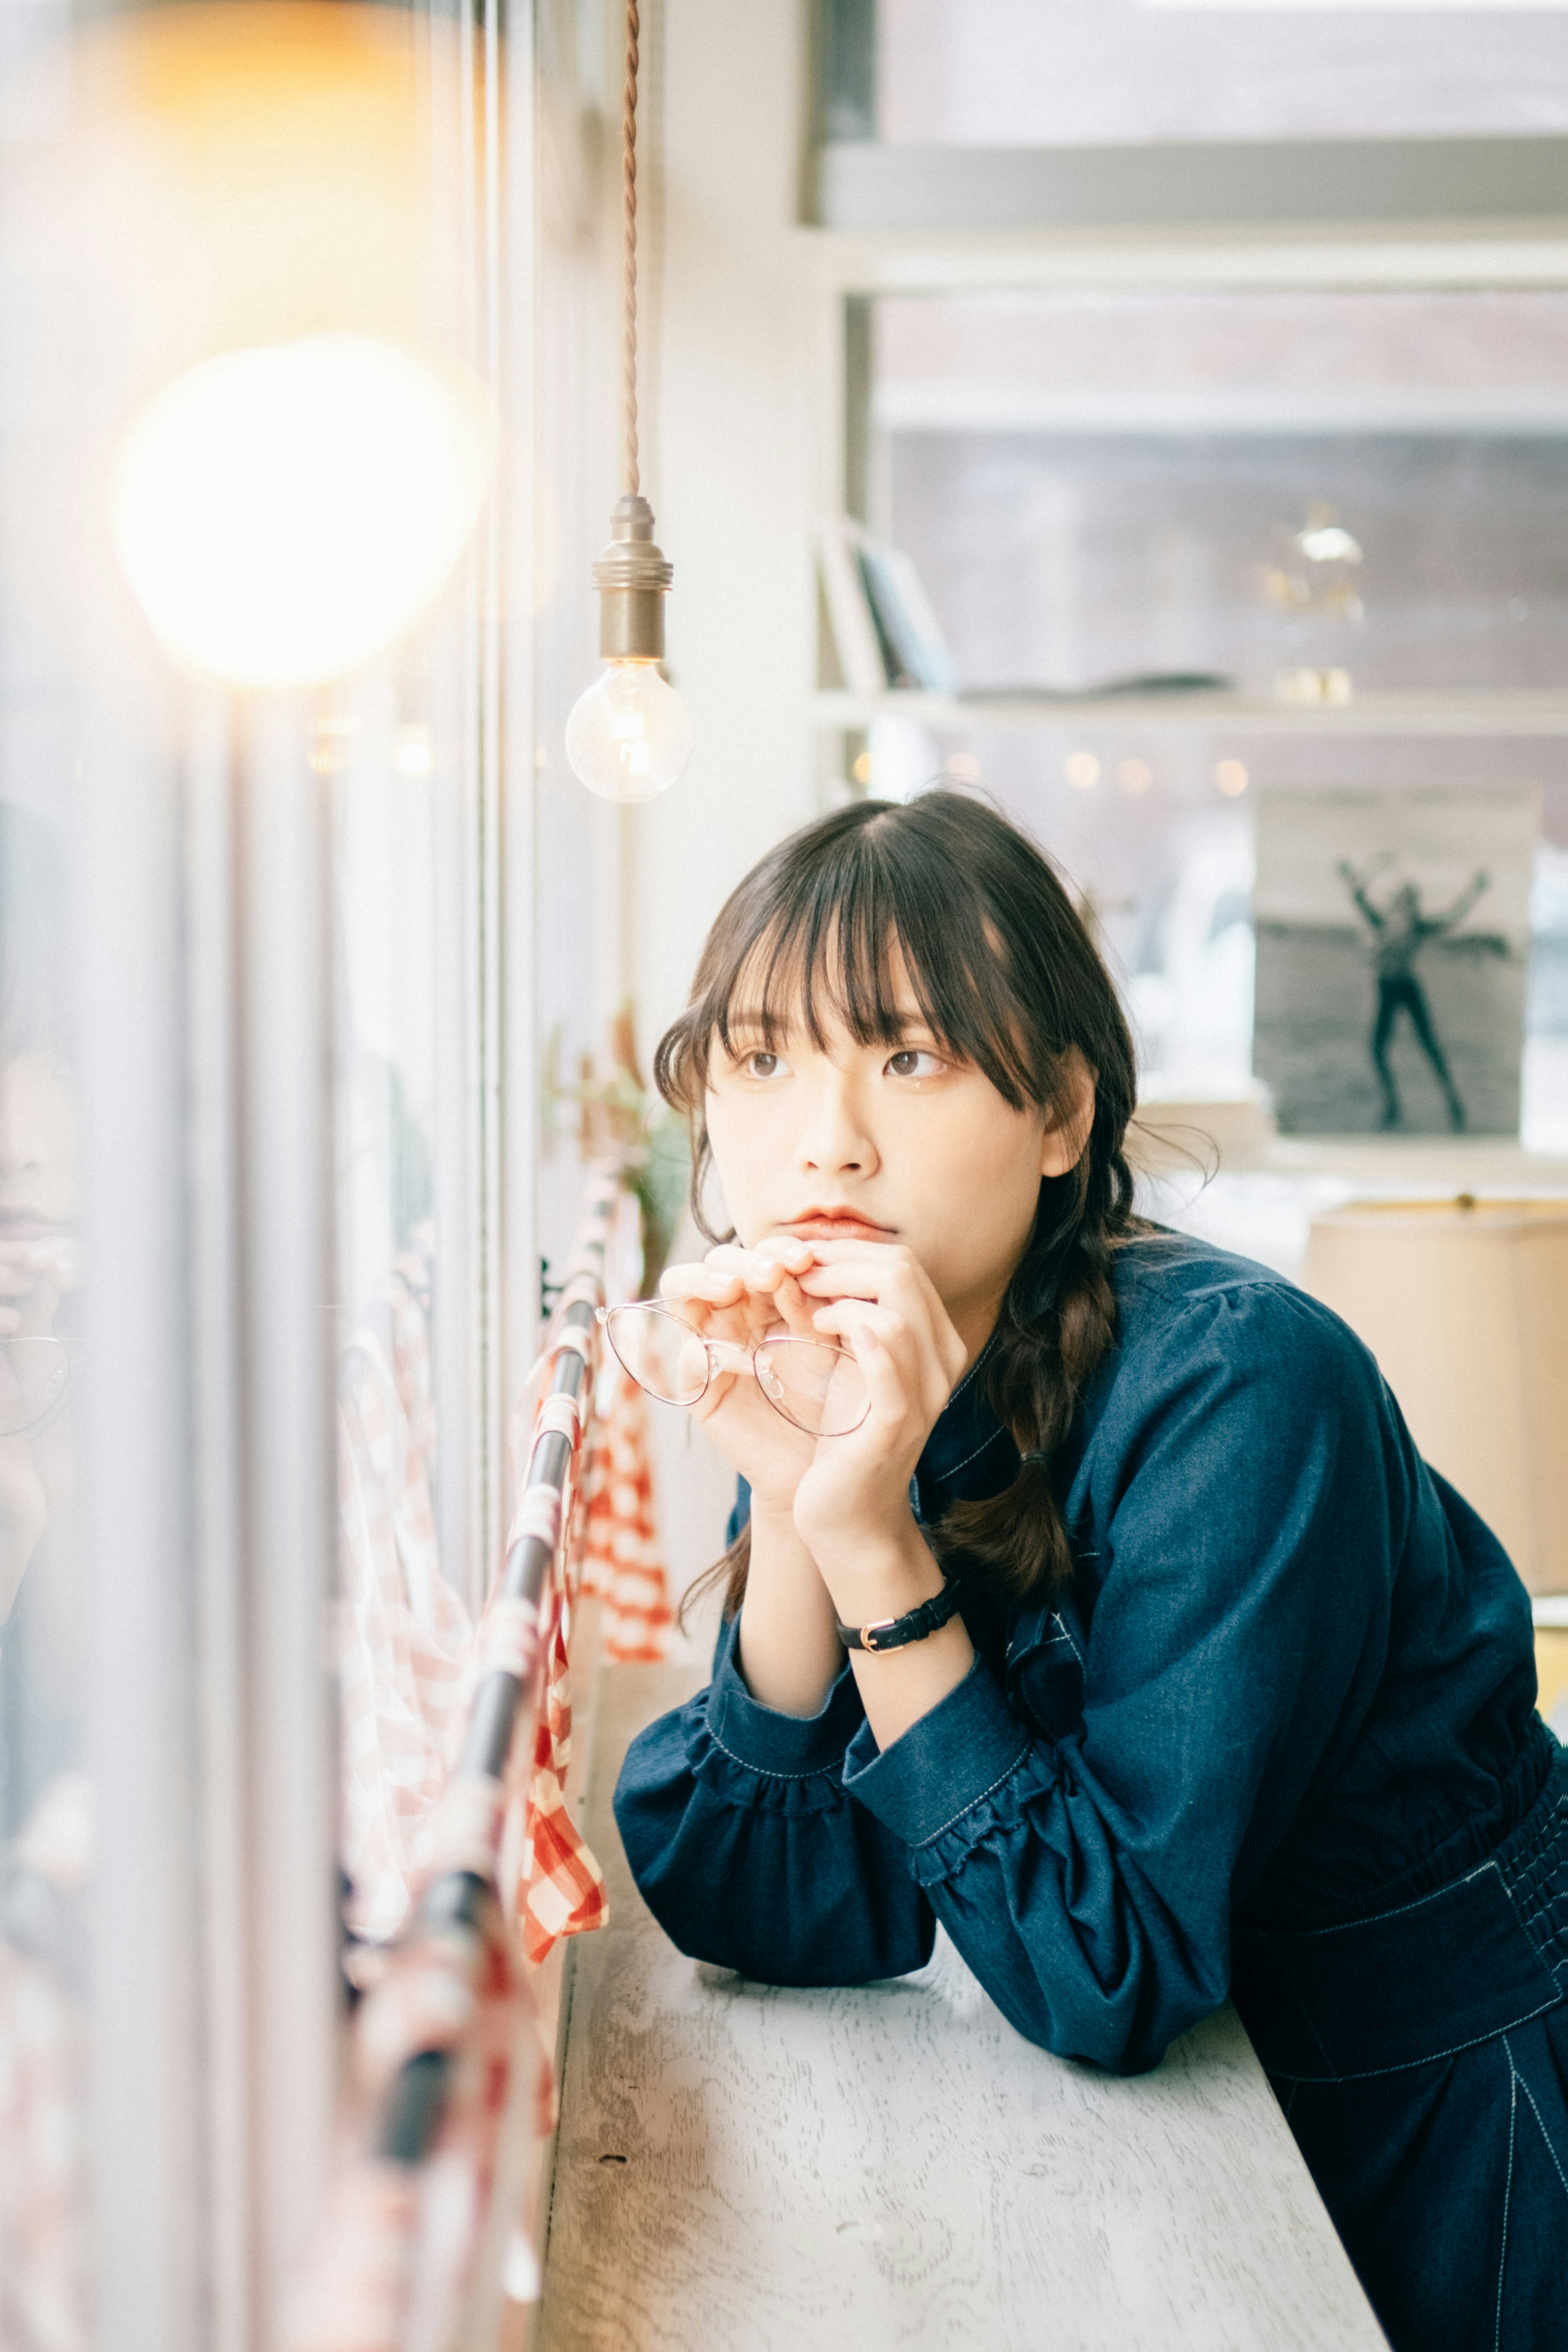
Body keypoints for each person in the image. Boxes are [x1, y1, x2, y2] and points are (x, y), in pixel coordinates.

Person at [612, 792, 1565, 2352]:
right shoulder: (860, 1359)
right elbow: (764, 1902)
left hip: (1452, 2104)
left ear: (1063, 1113)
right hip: (1205, 2118)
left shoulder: (1245, 1385)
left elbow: (1107, 1962)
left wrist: (866, 1536)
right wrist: (797, 1497)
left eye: (908, 1056)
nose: (824, 1136)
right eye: (765, 1056)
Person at [1337, 857, 1490, 1131]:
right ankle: (1393, 1106)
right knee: (1377, 1049)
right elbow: (1358, 895)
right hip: (1387, 989)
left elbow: (1454, 917)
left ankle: (1453, 1103)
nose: (1404, 905)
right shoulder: (1383, 923)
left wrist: (1474, 891)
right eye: (1401, 900)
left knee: (1430, 1047)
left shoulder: (1418, 926)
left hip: (1407, 988)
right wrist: (1367, 871)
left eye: (1409, 901)